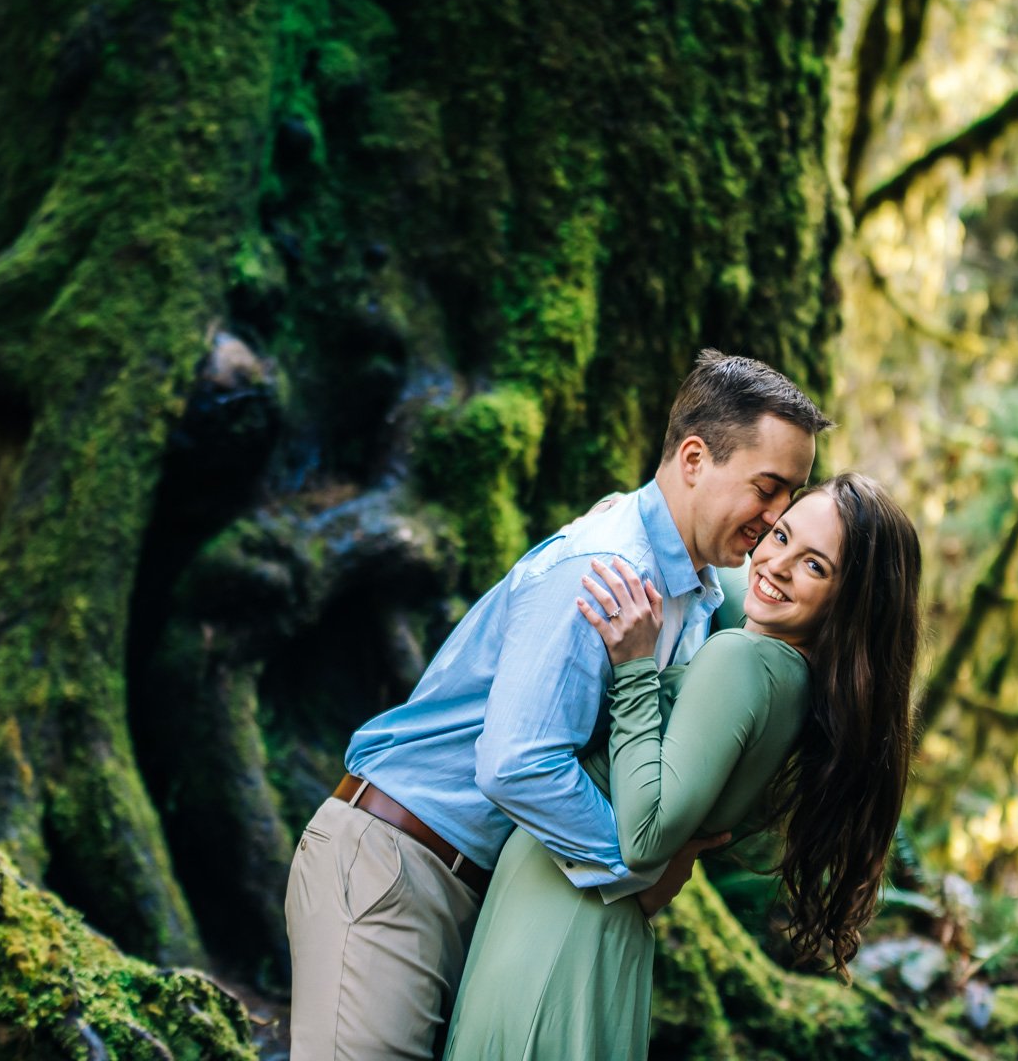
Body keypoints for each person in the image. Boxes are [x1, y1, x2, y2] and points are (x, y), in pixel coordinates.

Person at [284, 351, 831, 1060]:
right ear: (694, 458)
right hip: (398, 866)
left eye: (792, 495)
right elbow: (517, 764)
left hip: (485, 895)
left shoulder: (693, 601)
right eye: (768, 488)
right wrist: (639, 867)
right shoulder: (604, 570)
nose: (777, 517)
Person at [443, 472, 922, 1059]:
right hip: (586, 922)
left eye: (815, 566)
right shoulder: (795, 681)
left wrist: (635, 667)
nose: (774, 565)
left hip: (561, 923)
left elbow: (645, 837)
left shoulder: (740, 660)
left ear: (852, 602)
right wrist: (634, 518)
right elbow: (728, 572)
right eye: (779, 536)